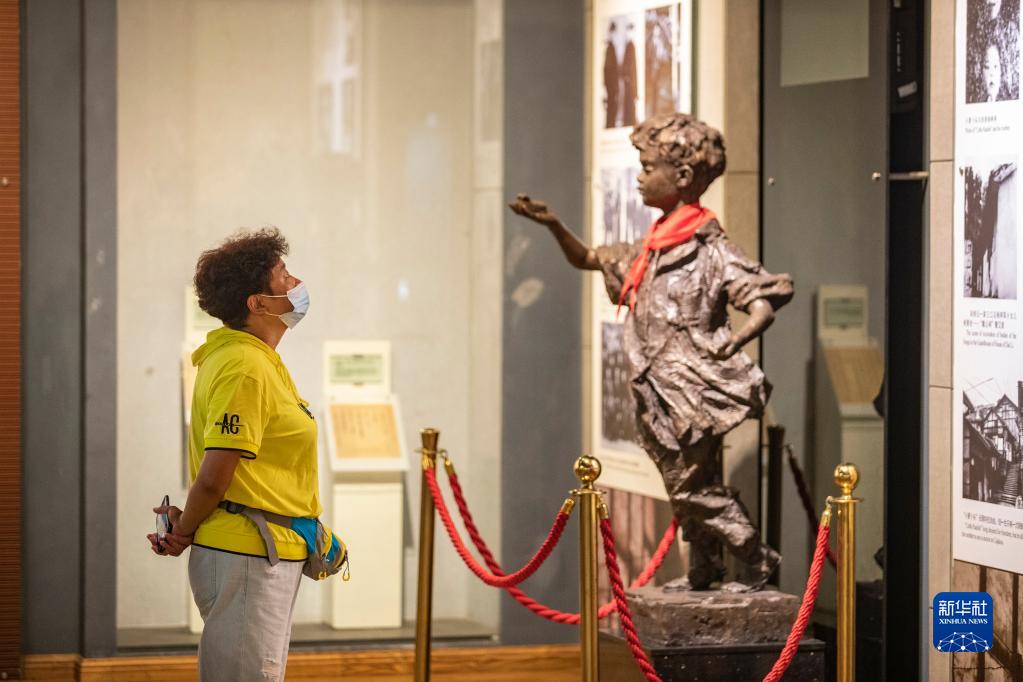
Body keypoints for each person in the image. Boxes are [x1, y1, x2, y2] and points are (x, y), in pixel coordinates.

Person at [510, 113, 793, 591]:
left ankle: (755, 553)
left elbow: (759, 300)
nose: (639, 178)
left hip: (693, 388)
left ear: (681, 176)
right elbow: (590, 258)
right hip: (655, 387)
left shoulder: (711, 249)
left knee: (687, 484)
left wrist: (739, 338)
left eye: (647, 168)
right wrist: (554, 225)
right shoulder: (652, 248)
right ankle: (704, 568)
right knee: (687, 478)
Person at [147, 228, 321, 681]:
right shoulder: (244, 365)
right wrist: (183, 531)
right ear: (258, 303)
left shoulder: (256, 359)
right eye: (284, 276)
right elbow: (214, 475)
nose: (297, 284)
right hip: (247, 555)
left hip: (261, 553)